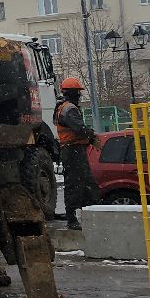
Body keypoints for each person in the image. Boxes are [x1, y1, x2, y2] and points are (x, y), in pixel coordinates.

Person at [54, 77, 99, 229]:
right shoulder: (69, 109)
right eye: (78, 92)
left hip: (73, 150)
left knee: (85, 184)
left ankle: (86, 215)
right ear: (73, 93)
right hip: (73, 151)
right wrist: (91, 135)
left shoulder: (64, 107)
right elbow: (79, 128)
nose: (79, 95)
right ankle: (73, 218)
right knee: (76, 184)